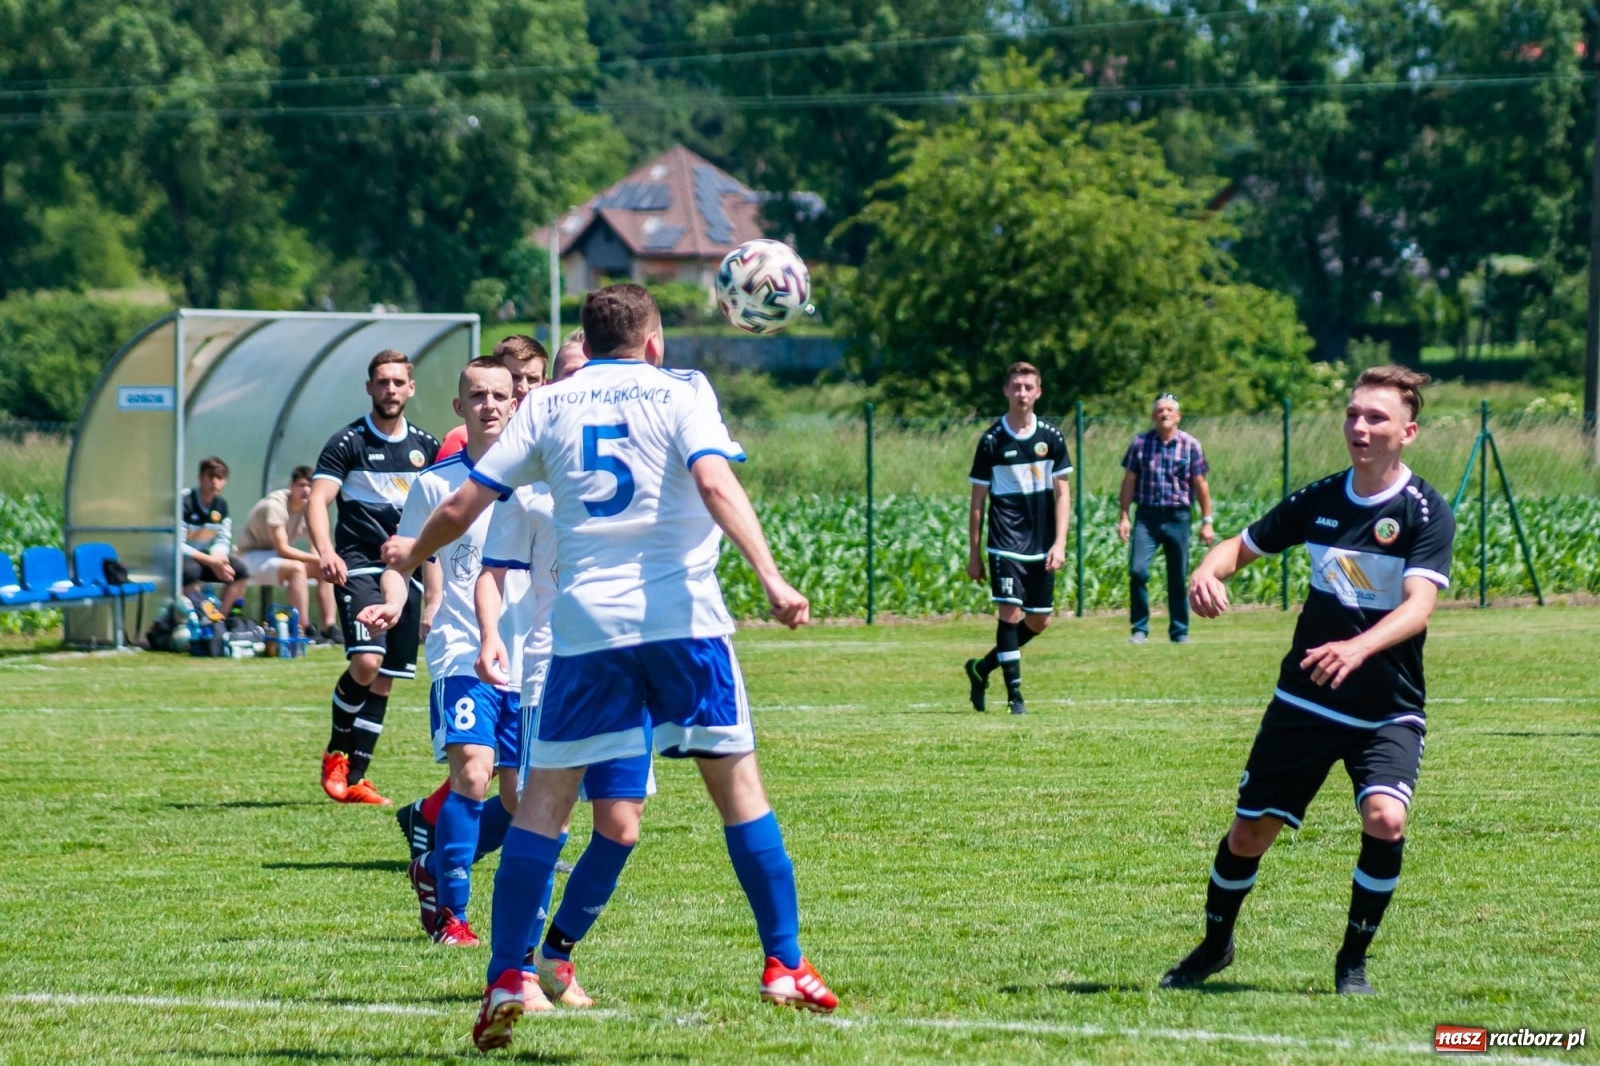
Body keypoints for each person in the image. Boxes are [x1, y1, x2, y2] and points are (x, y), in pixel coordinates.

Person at [381, 283, 835, 1052]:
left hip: (584, 631)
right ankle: (783, 964)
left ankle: (506, 975)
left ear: (584, 342)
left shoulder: (548, 407)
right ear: (653, 341)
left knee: (542, 807)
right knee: (739, 793)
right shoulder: (683, 389)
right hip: (682, 622)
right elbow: (717, 480)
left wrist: (410, 552)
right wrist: (771, 576)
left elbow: (464, 503)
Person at [1159, 366, 1454, 996]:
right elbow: (1238, 547)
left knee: (1385, 820)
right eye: (1352, 414)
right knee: (1250, 832)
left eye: (1376, 417)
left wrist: (1358, 647)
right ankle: (1215, 946)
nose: (1359, 426)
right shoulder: (1320, 499)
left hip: (1387, 707)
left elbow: (1417, 607)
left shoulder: (1425, 510)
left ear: (1409, 432)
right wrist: (1207, 573)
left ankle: (1352, 963)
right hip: (1306, 701)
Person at [393, 331, 589, 860]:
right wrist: (406, 597)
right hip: (464, 646)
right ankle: (455, 910)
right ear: (461, 405)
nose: (499, 401)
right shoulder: (445, 479)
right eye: (484, 394)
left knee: (520, 794)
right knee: (474, 774)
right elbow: (423, 548)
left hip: (538, 650)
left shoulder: (558, 472)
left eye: (513, 389)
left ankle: (438, 860)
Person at [307, 349, 441, 806]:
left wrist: (436, 588)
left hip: (408, 568)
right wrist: (326, 551)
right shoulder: (348, 442)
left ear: (411, 388)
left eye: (398, 382)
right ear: (370, 387)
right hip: (359, 562)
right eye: (382, 382)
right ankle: (336, 753)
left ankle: (358, 778)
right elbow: (317, 500)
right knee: (366, 661)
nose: (390, 389)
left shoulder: (428, 445)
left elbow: (441, 517)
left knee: (384, 677)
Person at [963, 362, 1072, 716]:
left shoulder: (1051, 437)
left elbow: (1063, 494)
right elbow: (978, 502)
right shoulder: (992, 440)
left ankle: (981, 669)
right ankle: (1015, 697)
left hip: (1042, 543)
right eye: (1016, 386)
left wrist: (1060, 543)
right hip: (1005, 541)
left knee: (1039, 620)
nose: (1022, 393)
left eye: (1028, 387)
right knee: (1009, 614)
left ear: (1038, 392)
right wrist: (974, 553)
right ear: (1006, 391)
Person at [1117, 394, 1214, 644]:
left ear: (1178, 416)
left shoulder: (1190, 445)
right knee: (1138, 571)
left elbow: (1200, 485)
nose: (1165, 414)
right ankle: (1139, 629)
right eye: (1160, 410)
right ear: (1153, 416)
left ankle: (1179, 632)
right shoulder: (1140, 443)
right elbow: (1129, 481)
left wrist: (1207, 521)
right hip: (1146, 518)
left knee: (1177, 576)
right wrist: (1124, 516)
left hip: (1177, 517)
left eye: (1170, 410)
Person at [235, 466, 340, 641]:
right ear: (291, 485)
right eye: (301, 485)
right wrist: (319, 558)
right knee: (297, 568)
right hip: (247, 557)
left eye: (310, 486)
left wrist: (323, 560)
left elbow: (317, 545)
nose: (306, 490)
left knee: (324, 569)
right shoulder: (276, 504)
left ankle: (329, 626)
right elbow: (282, 548)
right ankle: (304, 629)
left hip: (273, 558)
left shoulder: (309, 508)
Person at [436, 336, 548, 461]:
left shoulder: (553, 437)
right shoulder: (461, 438)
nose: (523, 388)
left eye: (532, 379)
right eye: (514, 377)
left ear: (544, 382)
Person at [180, 456, 249, 611]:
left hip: (207, 557)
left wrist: (218, 557)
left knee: (240, 571)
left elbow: (222, 538)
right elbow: (176, 544)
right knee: (191, 572)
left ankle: (221, 620)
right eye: (210, 476)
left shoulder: (221, 505)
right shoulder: (184, 501)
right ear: (200, 478)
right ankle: (196, 619)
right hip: (180, 559)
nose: (215, 482)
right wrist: (211, 561)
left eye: (220, 478)